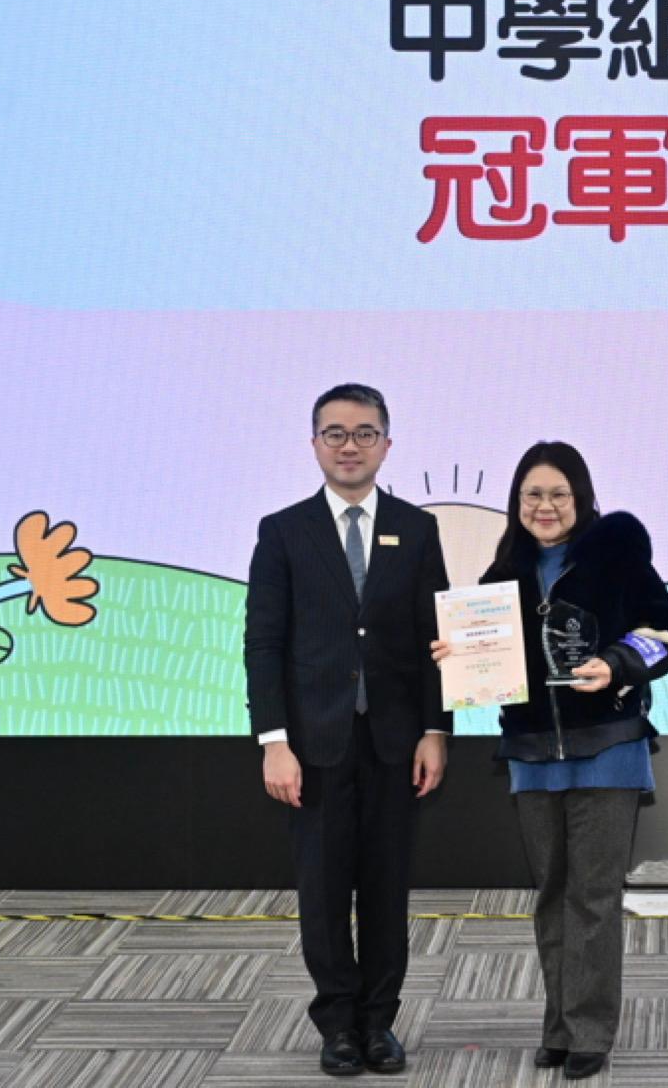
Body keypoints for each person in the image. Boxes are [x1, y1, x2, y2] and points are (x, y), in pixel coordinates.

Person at [431, 441, 668, 1080]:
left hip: (609, 750)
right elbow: (493, 667)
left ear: (581, 498)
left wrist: (617, 663)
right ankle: (561, 1025)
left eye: (557, 494)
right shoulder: (501, 576)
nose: (544, 507)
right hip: (531, 755)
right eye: (532, 495)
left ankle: (591, 1031)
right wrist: (457, 658)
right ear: (516, 502)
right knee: (551, 894)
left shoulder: (618, 557)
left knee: (593, 895)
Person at [244, 384, 452, 1077]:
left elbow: (434, 636)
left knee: (386, 889)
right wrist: (274, 740)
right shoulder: (283, 530)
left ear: (387, 445)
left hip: (396, 742)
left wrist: (435, 729)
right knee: (325, 890)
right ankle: (337, 1025)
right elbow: (264, 643)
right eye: (334, 433)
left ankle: (379, 1023)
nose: (349, 445)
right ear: (314, 444)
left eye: (364, 433)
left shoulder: (416, 528)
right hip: (313, 746)